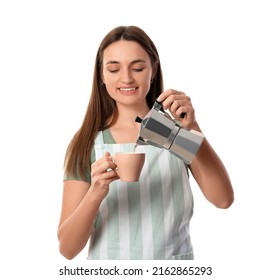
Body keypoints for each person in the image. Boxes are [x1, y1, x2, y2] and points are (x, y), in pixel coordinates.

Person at [57, 25, 234, 260]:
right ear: (101, 75)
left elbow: (222, 200)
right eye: (113, 69)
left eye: (138, 68)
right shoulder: (87, 143)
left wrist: (192, 129)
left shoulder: (175, 133)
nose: (127, 78)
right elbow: (68, 249)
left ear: (153, 70)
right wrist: (95, 192)